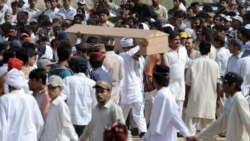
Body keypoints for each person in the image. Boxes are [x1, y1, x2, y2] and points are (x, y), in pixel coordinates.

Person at [189, 72, 250, 141]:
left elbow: (248, 122)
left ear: (233, 85)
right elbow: (219, 124)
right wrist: (197, 137)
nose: (222, 86)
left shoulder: (240, 100)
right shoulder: (234, 101)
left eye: (225, 83)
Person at [141, 64, 191, 141]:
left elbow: (175, 118)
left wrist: (187, 134)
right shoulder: (161, 95)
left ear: (155, 80)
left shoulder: (164, 97)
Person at [184, 41, 221, 136]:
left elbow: (188, 83)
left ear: (199, 50)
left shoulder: (193, 63)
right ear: (209, 51)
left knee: (191, 124)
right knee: (208, 126)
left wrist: (186, 98)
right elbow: (218, 84)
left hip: (194, 97)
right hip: (210, 98)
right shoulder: (215, 65)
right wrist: (218, 98)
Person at [0, 68, 44, 141]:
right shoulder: (31, 99)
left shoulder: (4, 100)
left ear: (8, 85)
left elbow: (1, 127)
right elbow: (40, 123)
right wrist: (34, 137)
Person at [119, 37, 147, 138]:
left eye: (132, 47)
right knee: (121, 115)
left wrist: (138, 55)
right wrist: (139, 45)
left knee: (139, 115)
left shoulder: (141, 59)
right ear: (124, 48)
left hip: (137, 91)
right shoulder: (122, 56)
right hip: (125, 91)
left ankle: (144, 135)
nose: (132, 49)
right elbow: (128, 54)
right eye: (129, 47)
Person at [62, 56, 96, 137]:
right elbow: (95, 104)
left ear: (73, 67)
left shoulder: (67, 80)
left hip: (70, 120)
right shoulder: (92, 83)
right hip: (86, 120)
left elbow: (61, 99)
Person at [40, 75, 78, 141]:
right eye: (49, 88)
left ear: (61, 89)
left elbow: (67, 125)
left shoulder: (61, 105)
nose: (50, 91)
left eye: (53, 88)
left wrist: (75, 139)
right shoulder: (52, 104)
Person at [101, 36, 123, 104]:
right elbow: (121, 76)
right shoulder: (119, 58)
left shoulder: (102, 58)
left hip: (103, 89)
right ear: (114, 46)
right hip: (115, 90)